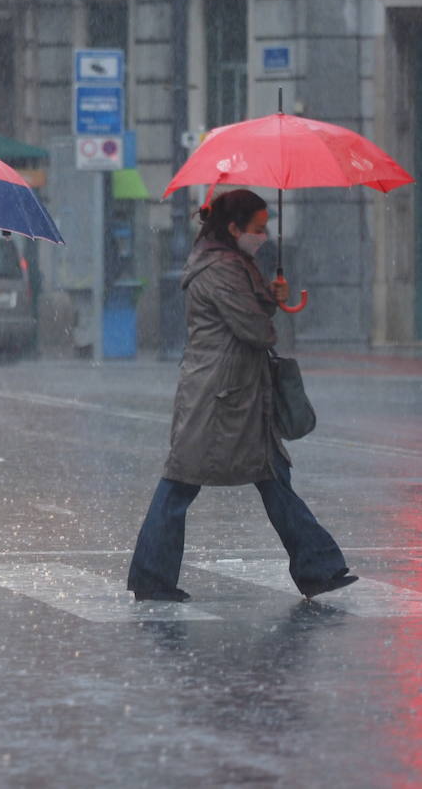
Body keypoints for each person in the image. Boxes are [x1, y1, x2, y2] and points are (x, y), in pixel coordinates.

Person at [127, 189, 357, 602]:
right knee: (181, 481)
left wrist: (271, 296)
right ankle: (150, 577)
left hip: (238, 395)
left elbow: (253, 313)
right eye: (257, 229)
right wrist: (268, 306)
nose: (264, 236)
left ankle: (318, 567)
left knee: (272, 478)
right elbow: (254, 329)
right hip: (218, 397)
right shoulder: (220, 268)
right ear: (233, 229)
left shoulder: (232, 263)